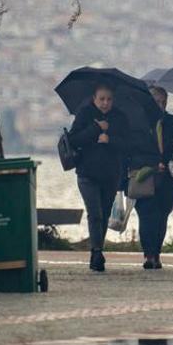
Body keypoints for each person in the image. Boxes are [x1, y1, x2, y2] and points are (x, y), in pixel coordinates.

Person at [68, 83, 130, 272]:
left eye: (109, 99)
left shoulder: (120, 117)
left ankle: (98, 248)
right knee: (94, 213)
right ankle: (96, 252)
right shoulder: (84, 114)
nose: (105, 103)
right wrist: (96, 129)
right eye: (101, 99)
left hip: (111, 174)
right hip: (87, 173)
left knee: (103, 213)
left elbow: (127, 144)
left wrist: (109, 139)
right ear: (94, 99)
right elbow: (73, 139)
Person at [128, 86, 173, 269]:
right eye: (156, 102)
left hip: (167, 178)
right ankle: (149, 254)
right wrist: (151, 163)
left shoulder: (171, 122)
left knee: (161, 217)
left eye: (162, 102)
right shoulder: (138, 123)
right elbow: (132, 151)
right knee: (146, 215)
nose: (159, 106)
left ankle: (156, 252)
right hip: (144, 175)